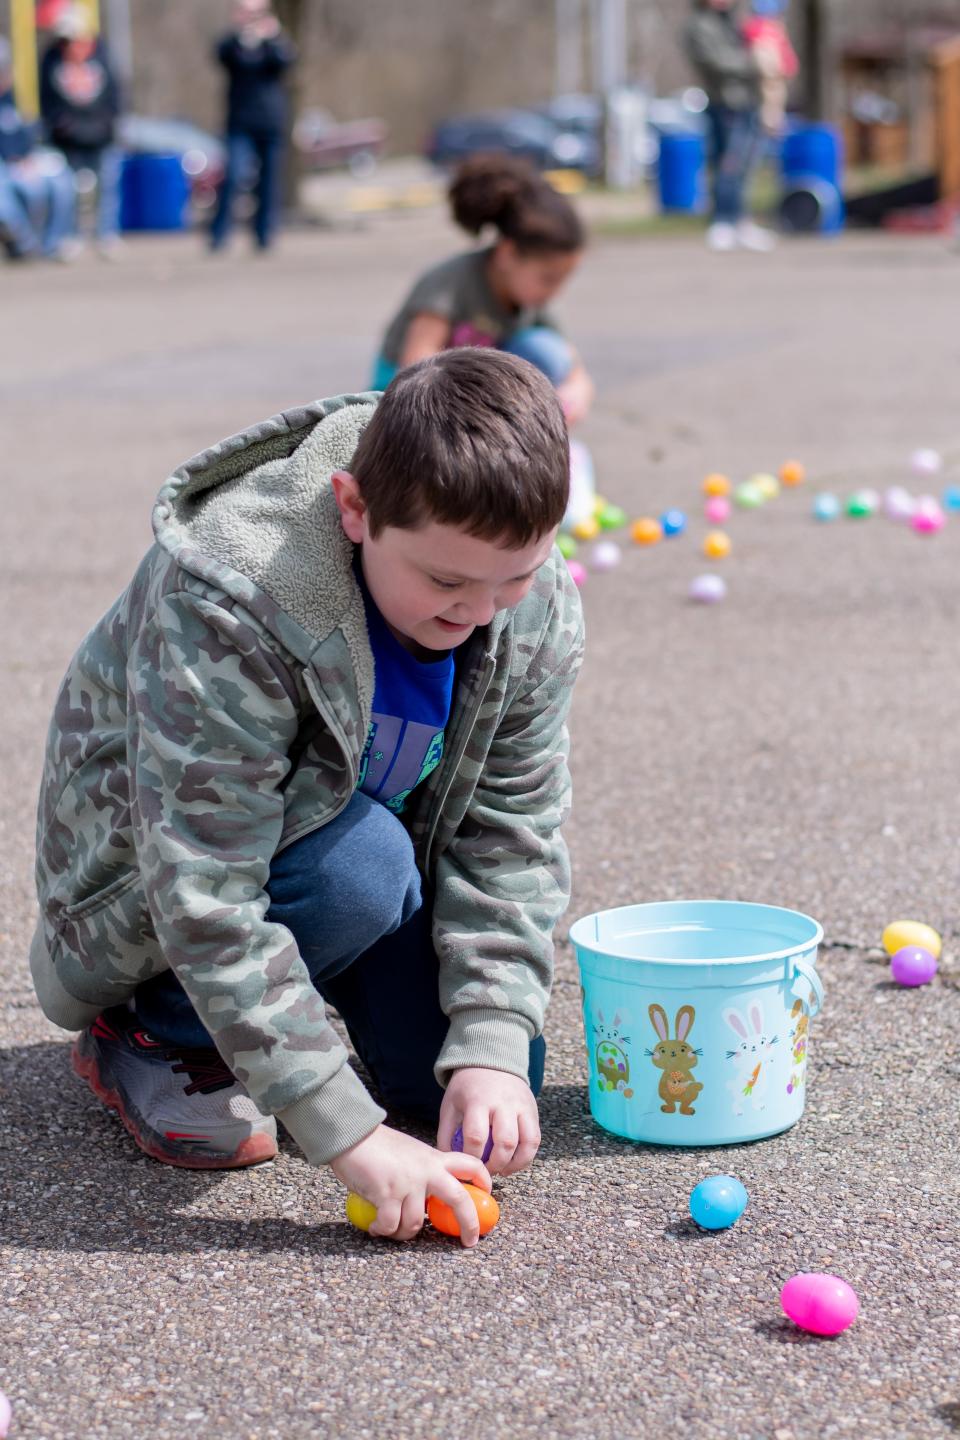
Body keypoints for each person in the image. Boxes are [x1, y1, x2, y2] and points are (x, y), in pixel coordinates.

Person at [30, 349, 584, 1249]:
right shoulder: (231, 602)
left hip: (359, 856)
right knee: (360, 868)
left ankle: (306, 1017)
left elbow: (509, 831)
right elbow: (206, 890)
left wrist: (490, 1040)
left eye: (514, 576)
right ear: (354, 509)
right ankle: (156, 1034)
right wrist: (352, 1137)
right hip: (142, 900)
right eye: (445, 581)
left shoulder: (529, 605)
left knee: (462, 1090)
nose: (481, 611)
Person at [373, 154, 595, 427]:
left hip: (467, 395)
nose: (555, 292)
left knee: (544, 349)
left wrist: (574, 392)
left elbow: (571, 365)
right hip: (408, 397)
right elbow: (415, 364)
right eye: (548, 279)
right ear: (507, 254)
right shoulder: (451, 282)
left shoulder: (529, 299)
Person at [684, 0, 781, 252]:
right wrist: (754, 62)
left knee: (746, 167)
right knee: (727, 165)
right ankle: (722, 221)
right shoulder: (700, 25)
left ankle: (742, 221)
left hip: (749, 102)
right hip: (725, 104)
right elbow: (716, 61)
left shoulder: (736, 22)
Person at [210, 0, 296, 253]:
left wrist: (273, 37)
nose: (252, 18)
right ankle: (219, 234)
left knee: (268, 182)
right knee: (234, 175)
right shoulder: (234, 45)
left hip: (270, 121)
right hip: (240, 122)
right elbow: (221, 56)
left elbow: (286, 62)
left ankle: (264, 234)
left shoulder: (274, 44)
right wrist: (241, 34)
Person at [39, 9, 122, 256]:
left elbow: (114, 94)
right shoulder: (51, 60)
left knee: (107, 187)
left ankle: (107, 235)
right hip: (68, 139)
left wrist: (108, 123)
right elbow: (48, 102)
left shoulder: (102, 57)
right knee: (70, 191)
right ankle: (70, 237)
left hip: (101, 135)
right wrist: (63, 126)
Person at [0, 36, 77, 261]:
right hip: (4, 166)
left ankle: (53, 243)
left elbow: (23, 134)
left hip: (23, 161)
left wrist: (26, 157)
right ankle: (25, 245)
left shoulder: (10, 99)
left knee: (60, 178)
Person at [741, 0, 798, 133]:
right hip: (764, 81)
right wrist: (771, 72)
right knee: (767, 107)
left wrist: (789, 65)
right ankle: (768, 125)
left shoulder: (777, 29)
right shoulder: (756, 29)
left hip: (778, 79)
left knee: (776, 104)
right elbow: (762, 62)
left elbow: (784, 49)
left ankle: (773, 127)